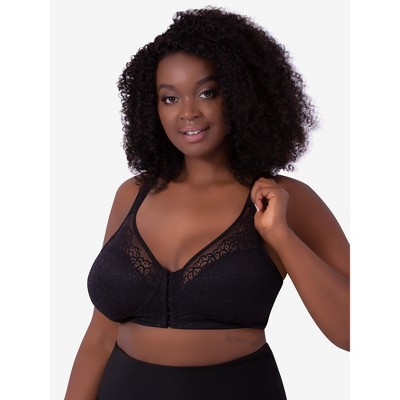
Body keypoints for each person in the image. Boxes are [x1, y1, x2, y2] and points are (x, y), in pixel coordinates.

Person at [64, 6, 349, 400]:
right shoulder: (132, 194)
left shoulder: (284, 199)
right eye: (169, 98)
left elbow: (354, 332)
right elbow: (99, 337)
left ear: (241, 93)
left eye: (207, 92)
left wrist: (280, 236)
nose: (187, 112)